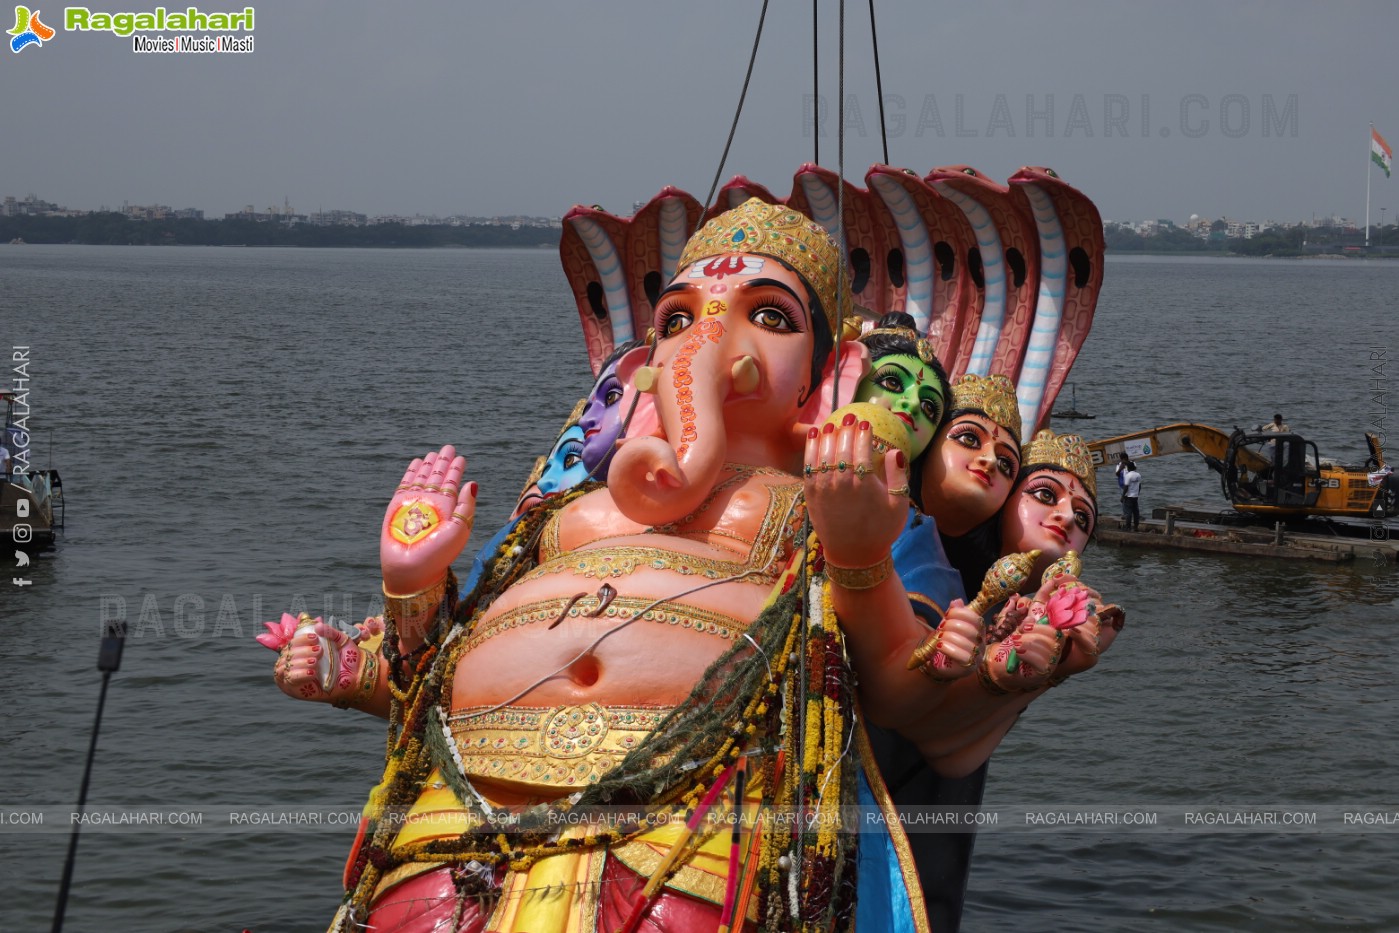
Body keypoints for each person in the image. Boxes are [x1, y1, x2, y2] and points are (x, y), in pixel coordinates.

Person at [286, 199, 933, 933]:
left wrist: (855, 553)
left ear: (831, 379)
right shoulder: (562, 509)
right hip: (462, 804)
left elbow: (907, 690)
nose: (707, 339)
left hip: (683, 813)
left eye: (772, 317)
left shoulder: (833, 501)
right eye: (678, 321)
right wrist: (409, 586)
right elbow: (429, 675)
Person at [1121, 459, 1142, 531]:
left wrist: (1122, 496)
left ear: (1128, 468)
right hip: (1135, 496)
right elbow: (1139, 486)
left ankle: (1128, 527)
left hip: (1129, 496)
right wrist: (1137, 493)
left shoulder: (1128, 475)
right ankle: (1136, 527)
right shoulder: (1138, 475)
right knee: (1136, 512)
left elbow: (1126, 487)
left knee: (1128, 513)